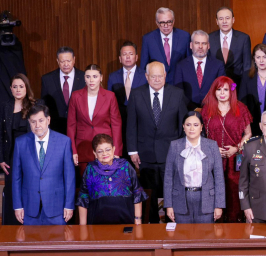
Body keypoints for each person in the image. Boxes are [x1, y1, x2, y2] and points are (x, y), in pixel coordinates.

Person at [126, 61, 189, 223]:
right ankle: (152, 224)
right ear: (146, 77)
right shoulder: (136, 94)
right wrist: (132, 151)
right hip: (145, 154)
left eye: (160, 76)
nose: (156, 79)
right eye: (153, 76)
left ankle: (172, 224)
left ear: (165, 75)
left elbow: (184, 126)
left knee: (172, 191)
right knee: (149, 193)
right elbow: (131, 124)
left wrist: (182, 151)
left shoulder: (177, 94)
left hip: (171, 153)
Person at [12, 104, 75, 225]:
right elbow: (16, 178)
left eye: (41, 120)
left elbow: (69, 177)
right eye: (33, 122)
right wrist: (18, 206)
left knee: (57, 242)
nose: (37, 126)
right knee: (30, 242)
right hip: (29, 208)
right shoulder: (20, 143)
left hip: (57, 208)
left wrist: (69, 205)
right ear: (29, 123)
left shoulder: (64, 142)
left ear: (48, 120)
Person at [201, 76, 253, 222]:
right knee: (213, 192)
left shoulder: (241, 108)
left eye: (225, 90)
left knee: (234, 194)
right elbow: (201, 135)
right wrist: (212, 149)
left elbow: (248, 134)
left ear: (231, 92)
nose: (222, 93)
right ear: (214, 91)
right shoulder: (207, 109)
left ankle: (235, 229)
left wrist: (236, 148)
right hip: (212, 159)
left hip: (235, 160)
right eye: (219, 90)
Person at [163, 112, 225, 223]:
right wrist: (168, 205)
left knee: (205, 237)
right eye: (188, 125)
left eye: (196, 125)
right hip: (180, 200)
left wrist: (219, 205)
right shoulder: (175, 146)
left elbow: (219, 178)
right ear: (183, 126)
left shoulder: (212, 146)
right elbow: (168, 178)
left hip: (207, 200)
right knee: (182, 236)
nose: (192, 128)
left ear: (201, 127)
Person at [77, 134, 147, 225]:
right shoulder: (90, 169)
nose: (105, 154)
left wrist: (138, 221)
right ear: (95, 153)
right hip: (96, 225)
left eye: (108, 149)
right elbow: (83, 197)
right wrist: (83, 227)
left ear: (114, 149)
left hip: (125, 223)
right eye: (100, 151)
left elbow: (137, 193)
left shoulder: (125, 166)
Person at [67, 64, 122, 178]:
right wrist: (73, 150)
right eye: (88, 76)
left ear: (101, 78)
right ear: (84, 78)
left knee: (106, 184)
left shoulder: (110, 96)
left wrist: (116, 151)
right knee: (87, 185)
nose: (91, 80)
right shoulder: (76, 96)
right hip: (83, 147)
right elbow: (71, 125)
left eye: (95, 76)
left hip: (105, 149)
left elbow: (116, 125)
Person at [0, 74, 40, 226]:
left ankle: (31, 221)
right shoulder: (5, 106)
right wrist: (1, 158)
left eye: (21, 86)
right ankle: (12, 225)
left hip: (32, 154)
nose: (18, 89)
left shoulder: (36, 105)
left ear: (26, 88)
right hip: (11, 155)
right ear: (10, 89)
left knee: (31, 186)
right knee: (12, 188)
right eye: (15, 86)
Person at [173, 30, 225, 110]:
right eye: (197, 43)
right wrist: (193, 108)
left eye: (204, 43)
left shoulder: (218, 65)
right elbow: (178, 91)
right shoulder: (181, 65)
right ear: (191, 45)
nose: (200, 46)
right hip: (188, 111)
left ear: (208, 46)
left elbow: (222, 88)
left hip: (212, 110)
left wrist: (208, 108)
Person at [40, 46, 84, 134]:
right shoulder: (47, 79)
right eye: (62, 61)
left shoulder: (84, 77)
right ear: (57, 61)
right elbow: (43, 106)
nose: (66, 64)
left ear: (74, 60)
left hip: (80, 127)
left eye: (69, 61)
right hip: (55, 129)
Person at [139, 7, 192, 82]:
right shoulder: (148, 39)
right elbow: (143, 67)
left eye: (169, 22)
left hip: (179, 85)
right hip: (157, 85)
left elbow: (189, 63)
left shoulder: (184, 37)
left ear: (173, 21)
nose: (166, 26)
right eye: (162, 23)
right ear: (157, 23)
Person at [107, 41, 147, 131]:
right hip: (119, 121)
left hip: (140, 121)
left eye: (131, 54)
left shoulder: (145, 75)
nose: (128, 57)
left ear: (136, 57)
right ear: (120, 58)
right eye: (124, 54)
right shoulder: (112, 76)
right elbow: (109, 100)